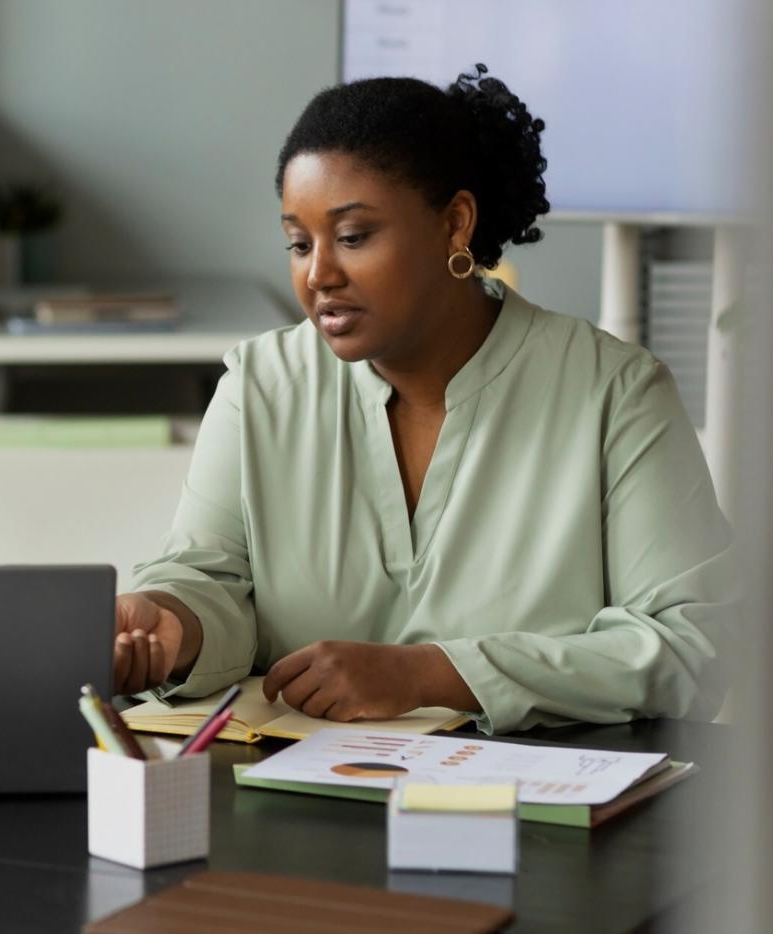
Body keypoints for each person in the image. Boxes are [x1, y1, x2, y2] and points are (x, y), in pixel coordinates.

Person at [111, 65, 734, 734]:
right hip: (295, 805)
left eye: (352, 237)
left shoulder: (615, 393)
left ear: (455, 226)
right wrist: (174, 622)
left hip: (536, 811)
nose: (318, 273)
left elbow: (689, 646)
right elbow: (210, 578)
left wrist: (429, 673)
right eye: (299, 243)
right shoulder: (260, 384)